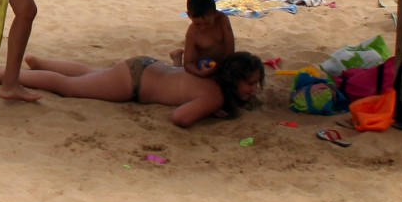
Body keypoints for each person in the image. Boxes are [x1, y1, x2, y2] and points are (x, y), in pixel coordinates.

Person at [18, 51, 265, 126]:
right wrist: (208, 111)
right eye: (250, 83)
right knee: (68, 87)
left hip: (146, 66)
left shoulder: (213, 76)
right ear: (234, 79)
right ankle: (7, 76)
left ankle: (40, 63)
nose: (253, 89)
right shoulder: (214, 96)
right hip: (134, 83)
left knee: (90, 73)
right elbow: (179, 118)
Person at [172, 0, 236, 77]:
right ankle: (177, 58)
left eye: (207, 23)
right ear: (189, 15)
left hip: (222, 63)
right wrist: (200, 73)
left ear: (215, 14)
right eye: (197, 24)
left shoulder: (222, 20)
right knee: (179, 77)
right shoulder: (192, 32)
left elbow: (230, 46)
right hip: (202, 66)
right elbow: (188, 64)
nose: (202, 27)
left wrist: (224, 65)